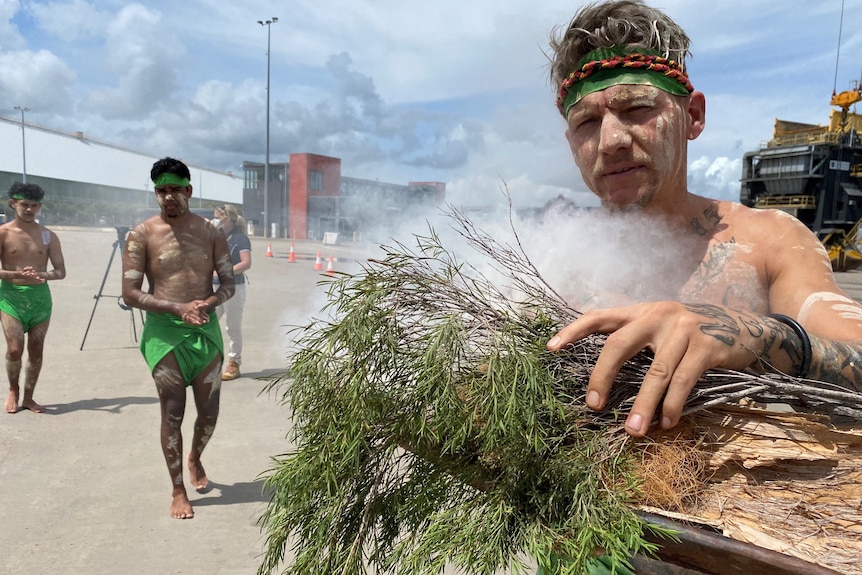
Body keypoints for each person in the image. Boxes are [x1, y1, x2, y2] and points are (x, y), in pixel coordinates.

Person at [544, 0, 862, 440]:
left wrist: (750, 335)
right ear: (571, 141)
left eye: (637, 109)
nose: (611, 140)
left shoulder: (767, 242)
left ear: (692, 116)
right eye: (587, 122)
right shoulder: (545, 254)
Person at [122, 157, 235, 519]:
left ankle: (195, 457)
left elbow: (229, 283)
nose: (168, 196)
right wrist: (176, 308)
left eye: (175, 189)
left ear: (189, 190)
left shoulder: (212, 232)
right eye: (161, 190)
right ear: (156, 193)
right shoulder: (141, 234)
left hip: (206, 329)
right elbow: (130, 293)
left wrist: (209, 301)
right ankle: (177, 490)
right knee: (173, 413)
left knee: (210, 412)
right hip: (165, 333)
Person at [0, 182, 66, 414]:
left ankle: (29, 397)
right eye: (24, 205)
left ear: (39, 207)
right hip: (11, 298)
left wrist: (41, 274)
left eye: (34, 206)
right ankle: (13, 390)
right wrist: (13, 274)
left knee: (36, 351)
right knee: (15, 349)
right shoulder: (3, 233)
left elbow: (60, 272)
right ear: (13, 204)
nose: (29, 210)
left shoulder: (48, 236)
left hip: (40, 300)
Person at [211, 204, 251, 380]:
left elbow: (246, 263)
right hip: (213, 287)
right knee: (208, 323)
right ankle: (209, 362)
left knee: (232, 327)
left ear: (228, 218)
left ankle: (234, 363)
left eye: (219, 216)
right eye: (215, 216)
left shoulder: (240, 238)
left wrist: (225, 272)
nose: (216, 220)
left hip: (233, 287)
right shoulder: (216, 236)